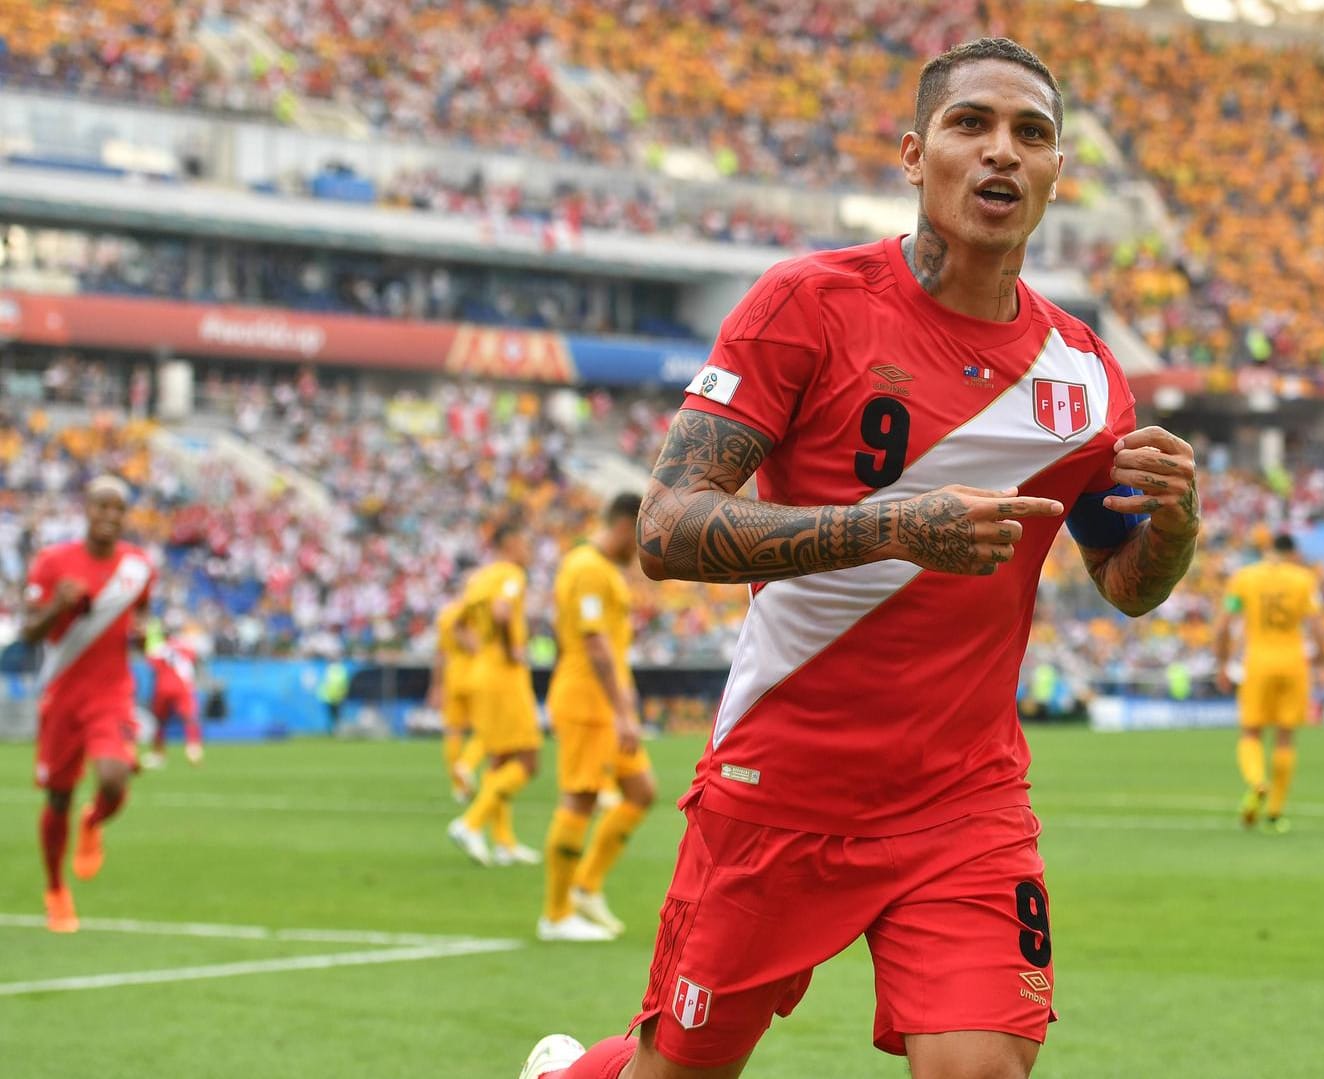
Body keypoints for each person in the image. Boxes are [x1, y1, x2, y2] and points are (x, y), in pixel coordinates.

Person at [519, 37, 1200, 1079]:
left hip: (962, 800)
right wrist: (890, 526)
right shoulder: (809, 304)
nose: (1001, 153)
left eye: (1033, 133)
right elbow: (665, 528)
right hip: (779, 782)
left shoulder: (1086, 374)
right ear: (914, 153)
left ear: (1060, 171)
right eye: (971, 125)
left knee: (980, 1068)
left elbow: (1127, 584)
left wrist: (1177, 528)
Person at [20, 476, 154, 933]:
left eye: (119, 509)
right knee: (57, 796)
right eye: (102, 507)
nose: (110, 516)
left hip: (111, 691)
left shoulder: (137, 567)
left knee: (114, 780)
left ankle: (93, 820)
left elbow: (143, 618)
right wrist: (59, 606)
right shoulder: (53, 562)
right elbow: (28, 633)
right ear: (86, 510)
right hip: (62, 692)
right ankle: (56, 889)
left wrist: (141, 636)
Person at [539, 492, 657, 943]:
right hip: (588, 703)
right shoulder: (587, 568)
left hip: (605, 704)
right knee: (580, 799)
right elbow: (594, 645)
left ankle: (586, 886)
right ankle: (555, 914)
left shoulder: (601, 569)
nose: (643, 545)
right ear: (626, 525)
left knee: (640, 791)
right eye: (642, 534)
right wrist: (622, 711)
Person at [448, 521, 543, 868]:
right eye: (526, 542)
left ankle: (503, 842)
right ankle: (471, 824)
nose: (529, 550)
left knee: (501, 759)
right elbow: (503, 612)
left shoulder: (478, 578)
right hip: (504, 674)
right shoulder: (510, 574)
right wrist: (510, 649)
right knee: (528, 759)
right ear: (512, 542)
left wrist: (481, 648)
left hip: (482, 670)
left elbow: (457, 623)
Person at [1214, 533, 1320, 834]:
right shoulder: (1303, 579)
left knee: (1251, 731)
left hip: (1258, 661)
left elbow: (1223, 625)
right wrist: (1322, 661)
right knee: (1285, 737)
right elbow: (1318, 629)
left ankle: (1257, 781)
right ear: (1293, 553)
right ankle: (1275, 812)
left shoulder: (1245, 578)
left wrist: (1222, 664)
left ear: (1267, 550)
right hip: (1293, 662)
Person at [429, 597, 484, 802]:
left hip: (452, 676)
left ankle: (459, 787)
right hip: (475, 674)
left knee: (453, 731)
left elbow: (440, 654)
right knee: (485, 730)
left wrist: (436, 685)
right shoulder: (473, 613)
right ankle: (466, 765)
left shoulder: (445, 615)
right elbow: (473, 646)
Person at [143, 626, 204, 768]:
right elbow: (194, 659)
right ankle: (193, 749)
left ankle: (158, 754)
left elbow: (152, 665)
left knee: (160, 721)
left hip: (163, 685)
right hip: (182, 686)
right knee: (189, 718)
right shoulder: (186, 647)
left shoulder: (158, 648)